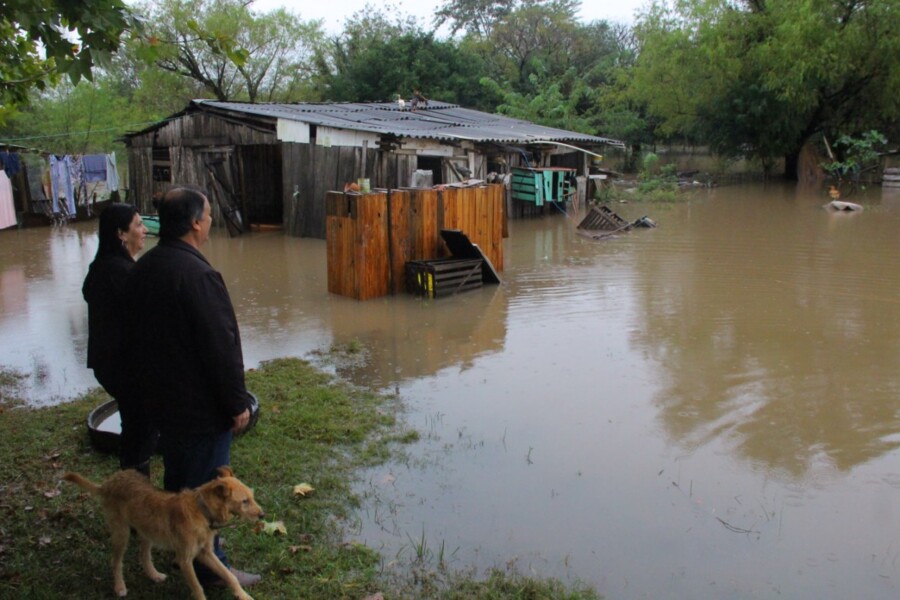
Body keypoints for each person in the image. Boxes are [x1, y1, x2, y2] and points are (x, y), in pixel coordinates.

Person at [122, 185, 259, 589]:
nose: (212, 221)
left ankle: (181, 547)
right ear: (196, 223)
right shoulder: (198, 274)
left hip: (163, 405)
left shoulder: (144, 268)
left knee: (179, 483)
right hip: (200, 410)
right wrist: (236, 401)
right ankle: (211, 567)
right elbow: (221, 346)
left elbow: (133, 340)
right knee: (207, 495)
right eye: (210, 215)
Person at [82, 203, 157, 476]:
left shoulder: (104, 267)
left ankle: (132, 485)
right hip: (125, 366)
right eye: (138, 224)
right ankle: (136, 492)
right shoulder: (119, 273)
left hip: (111, 363)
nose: (145, 229)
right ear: (121, 234)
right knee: (141, 428)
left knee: (136, 424)